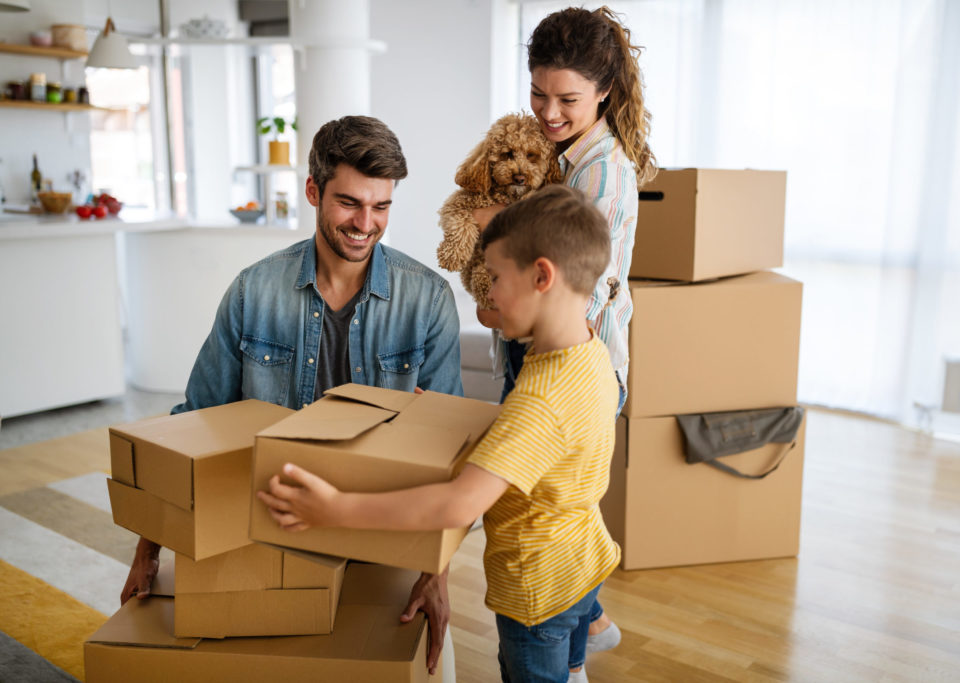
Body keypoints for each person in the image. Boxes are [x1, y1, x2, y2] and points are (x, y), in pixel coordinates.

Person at [118, 115, 463, 677]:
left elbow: (449, 454)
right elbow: (193, 424)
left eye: (381, 207)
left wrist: (436, 573)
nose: (366, 224)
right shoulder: (255, 291)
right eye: (349, 203)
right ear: (312, 191)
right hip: (267, 524)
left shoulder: (427, 299)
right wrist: (148, 550)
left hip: (381, 530)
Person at [259, 185, 620, 683]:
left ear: (541, 276)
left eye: (494, 278)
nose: (488, 293)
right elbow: (550, 437)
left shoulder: (541, 398)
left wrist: (334, 509)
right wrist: (453, 414)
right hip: (583, 563)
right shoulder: (584, 352)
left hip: (537, 592)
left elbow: (456, 506)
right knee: (569, 664)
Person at [474, 4, 657, 657]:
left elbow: (573, 276)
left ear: (604, 91)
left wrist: (499, 234)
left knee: (549, 512)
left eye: (567, 99)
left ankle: (577, 641)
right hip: (553, 356)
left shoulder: (602, 170)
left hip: (578, 365)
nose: (548, 111)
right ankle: (588, 631)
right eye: (538, 93)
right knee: (560, 507)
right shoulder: (565, 154)